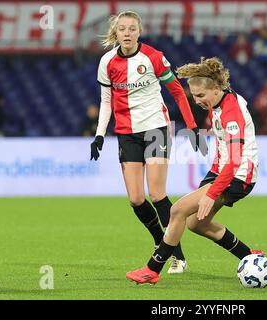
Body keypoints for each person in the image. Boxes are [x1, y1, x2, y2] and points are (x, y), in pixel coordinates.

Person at [126, 57, 263, 284]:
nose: (197, 101)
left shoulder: (231, 112)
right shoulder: (219, 101)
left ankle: (153, 269)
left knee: (178, 210)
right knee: (196, 224)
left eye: (201, 96)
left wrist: (211, 193)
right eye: (194, 96)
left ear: (217, 89)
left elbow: (236, 159)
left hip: (238, 175)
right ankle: (249, 257)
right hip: (221, 170)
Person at [90, 11, 208, 274]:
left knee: (157, 194)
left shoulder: (153, 57)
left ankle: (176, 256)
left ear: (139, 32)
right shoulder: (107, 61)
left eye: (132, 28)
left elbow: (178, 92)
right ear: (116, 32)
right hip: (126, 132)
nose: (127, 33)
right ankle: (160, 242)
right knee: (135, 198)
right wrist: (99, 134)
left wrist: (193, 128)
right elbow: (106, 101)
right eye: (122, 29)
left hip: (156, 128)